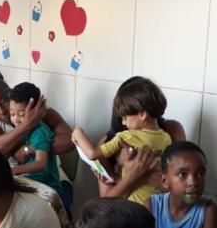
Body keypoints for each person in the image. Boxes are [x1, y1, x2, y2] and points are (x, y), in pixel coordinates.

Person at [73, 76, 171, 205]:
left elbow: (92, 153)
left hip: (131, 208)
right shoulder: (166, 139)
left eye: (125, 117)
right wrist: (115, 177)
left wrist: (77, 133)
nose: (123, 123)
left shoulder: (126, 137)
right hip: (159, 206)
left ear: (142, 114)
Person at [96, 77, 186, 202]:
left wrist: (138, 170)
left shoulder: (171, 130)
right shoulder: (109, 142)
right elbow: (107, 202)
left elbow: (182, 188)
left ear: (143, 114)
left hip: (161, 208)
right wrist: (125, 172)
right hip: (125, 210)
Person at [8, 82, 64, 200]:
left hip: (47, 186)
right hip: (31, 180)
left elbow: (41, 164)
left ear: (36, 111)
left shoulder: (39, 132)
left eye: (21, 114)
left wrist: (14, 171)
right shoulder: (20, 129)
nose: (15, 119)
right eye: (12, 113)